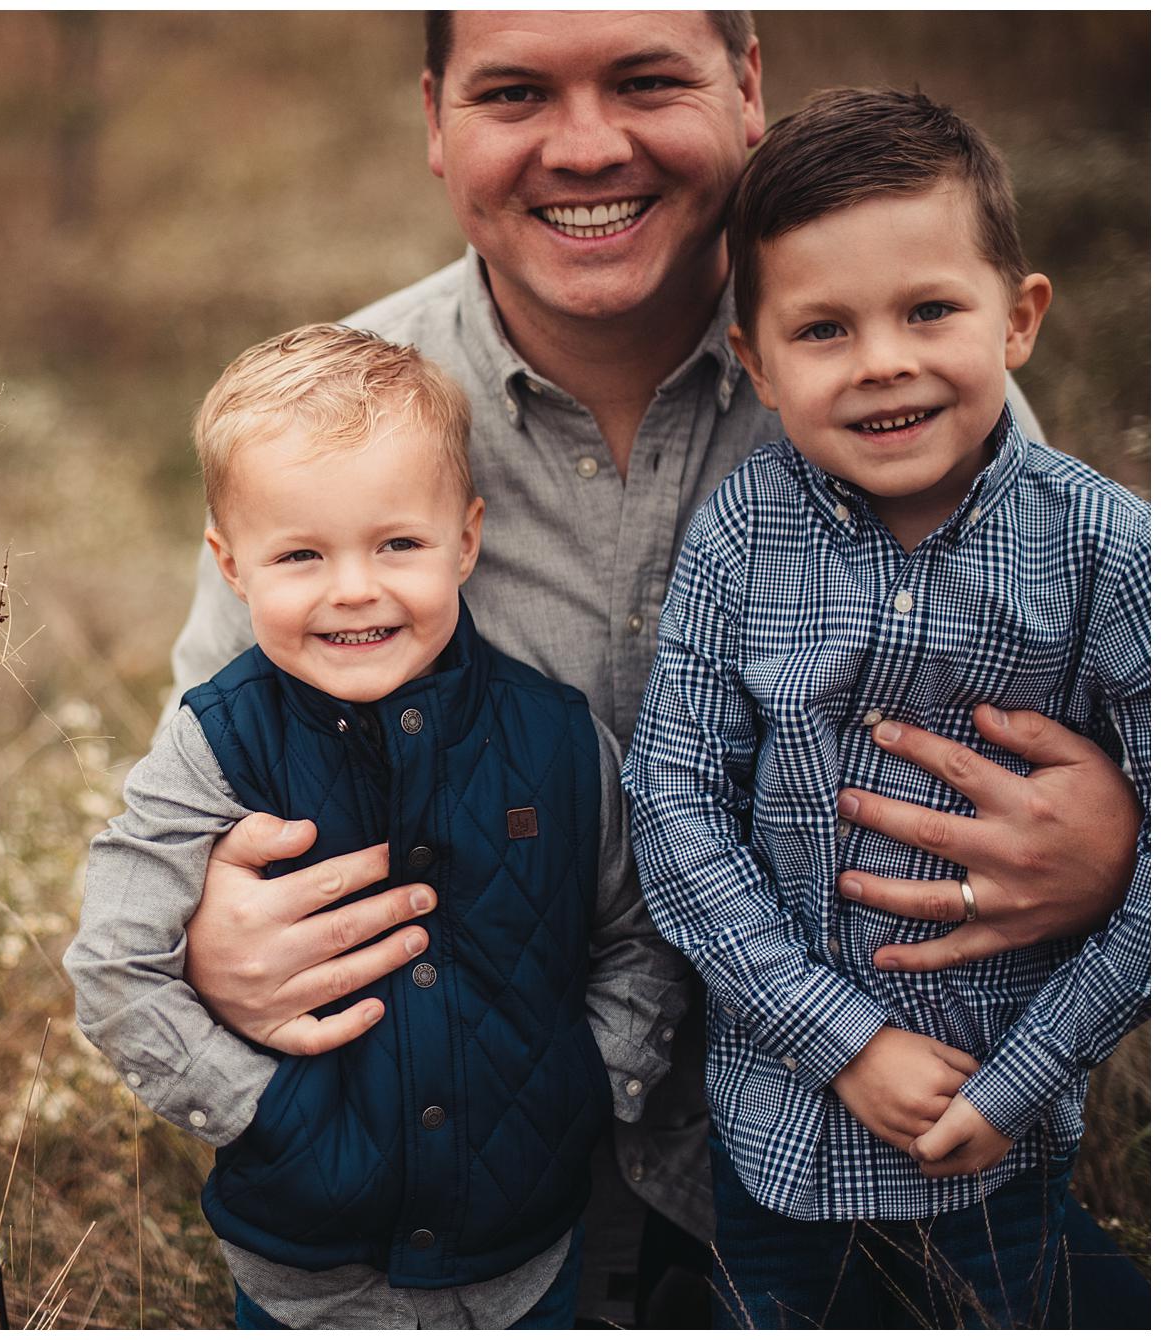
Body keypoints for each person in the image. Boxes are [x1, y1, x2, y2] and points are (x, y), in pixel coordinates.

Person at [160, 11, 1145, 1326]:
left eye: (644, 79)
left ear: (745, 87)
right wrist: (202, 928)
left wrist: (1113, 849)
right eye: (515, 93)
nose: (585, 147)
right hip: (456, 1214)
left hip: (888, 1157)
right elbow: (197, 786)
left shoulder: (927, 414)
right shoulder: (331, 432)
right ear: (435, 121)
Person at [621, 87, 1150, 1327]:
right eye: (822, 329)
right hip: (778, 1129)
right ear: (755, 363)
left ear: (1016, 318)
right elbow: (673, 799)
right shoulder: (741, 535)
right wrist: (841, 1040)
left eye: (927, 310)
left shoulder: (1103, 548)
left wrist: (1026, 1071)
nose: (880, 363)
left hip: (999, 1136)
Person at [67, 324, 689, 1327]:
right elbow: (115, 961)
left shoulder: (561, 740)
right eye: (300, 554)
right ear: (231, 565)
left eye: (397, 543)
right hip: (303, 1275)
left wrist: (589, 1082)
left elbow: (640, 930)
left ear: (466, 541)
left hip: (528, 1261)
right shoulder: (215, 743)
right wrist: (252, 1109)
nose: (353, 587)